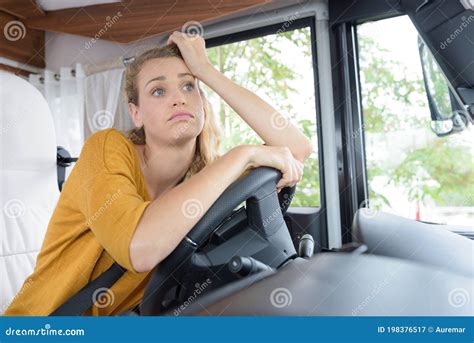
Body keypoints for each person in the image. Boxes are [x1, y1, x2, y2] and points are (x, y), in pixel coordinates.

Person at [5, 32, 312, 316]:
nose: (178, 98)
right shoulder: (105, 149)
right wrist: (242, 154)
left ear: (202, 103)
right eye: (158, 90)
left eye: (188, 86)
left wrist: (206, 70)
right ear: (135, 113)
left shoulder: (206, 177)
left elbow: (295, 150)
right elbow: (140, 249)